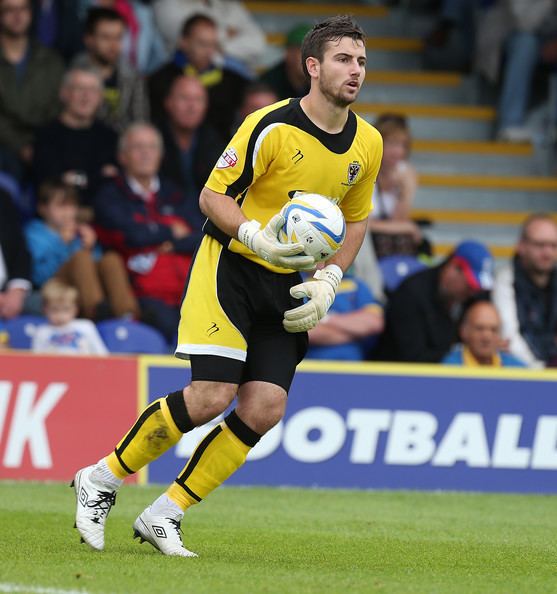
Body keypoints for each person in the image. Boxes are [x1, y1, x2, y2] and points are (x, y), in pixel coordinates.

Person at [72, 15, 382, 557]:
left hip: (287, 282)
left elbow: (355, 220)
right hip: (231, 267)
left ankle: (165, 513)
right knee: (211, 396)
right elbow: (213, 197)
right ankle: (100, 478)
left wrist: (331, 277)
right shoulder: (270, 126)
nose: (355, 70)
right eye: (342, 59)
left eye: (359, 60)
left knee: (264, 407)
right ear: (312, 67)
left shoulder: (369, 143)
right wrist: (257, 237)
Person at [94, 122, 201, 342]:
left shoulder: (177, 194)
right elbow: (132, 236)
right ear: (122, 156)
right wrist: (170, 230)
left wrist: (171, 244)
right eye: (137, 147)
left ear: (160, 155)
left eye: (151, 147)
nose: (145, 153)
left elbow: (203, 235)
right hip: (141, 296)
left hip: (188, 292)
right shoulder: (109, 195)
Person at [24, 178, 140, 320]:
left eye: (71, 206)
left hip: (84, 287)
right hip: (53, 289)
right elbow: (39, 276)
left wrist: (90, 247)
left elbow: (96, 268)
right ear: (42, 208)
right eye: (61, 206)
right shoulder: (34, 234)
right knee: (81, 258)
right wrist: (62, 244)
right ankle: (96, 312)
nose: (67, 212)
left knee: (111, 259)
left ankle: (127, 314)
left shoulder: (78, 230)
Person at [376, 240, 494, 363]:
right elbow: (413, 357)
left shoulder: (477, 295)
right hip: (396, 375)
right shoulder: (410, 295)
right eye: (470, 285)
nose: (474, 292)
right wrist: (463, 358)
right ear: (453, 267)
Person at [148, 13, 249, 139]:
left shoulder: (232, 81)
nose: (209, 51)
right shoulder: (161, 79)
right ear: (183, 42)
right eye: (202, 43)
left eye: (213, 44)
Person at [33, 66, 118, 212]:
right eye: (79, 89)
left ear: (100, 97)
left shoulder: (110, 137)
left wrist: (75, 178)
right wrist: (97, 177)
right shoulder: (46, 135)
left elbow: (114, 184)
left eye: (93, 90)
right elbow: (49, 185)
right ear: (64, 93)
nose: (86, 96)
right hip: (60, 219)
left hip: (103, 216)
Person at [0, 0, 64, 179]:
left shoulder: (51, 60)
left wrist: (40, 146)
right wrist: (21, 146)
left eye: (23, 9)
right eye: (9, 10)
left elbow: (57, 107)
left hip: (44, 144)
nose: (17, 15)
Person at [158, 75, 224, 230]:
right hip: (165, 221)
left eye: (198, 100)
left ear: (206, 107)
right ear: (168, 103)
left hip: (206, 221)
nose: (191, 106)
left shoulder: (215, 141)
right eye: (184, 98)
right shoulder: (152, 140)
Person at [493, 213, 557, 367]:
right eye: (540, 245)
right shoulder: (504, 280)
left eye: (554, 246)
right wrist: (541, 369)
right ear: (521, 246)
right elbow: (509, 338)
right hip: (520, 374)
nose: (547, 253)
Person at [72, 6, 148, 132]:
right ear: (89, 39)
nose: (113, 45)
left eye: (118, 37)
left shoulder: (133, 75)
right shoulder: (75, 74)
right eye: (106, 37)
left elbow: (140, 121)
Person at [367, 113, 425, 260]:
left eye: (403, 145)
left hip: (386, 241)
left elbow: (398, 220)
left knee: (402, 240)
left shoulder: (404, 172)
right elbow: (362, 224)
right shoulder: (365, 170)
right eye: (392, 144)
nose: (398, 152)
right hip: (364, 238)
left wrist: (407, 191)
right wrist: (408, 227)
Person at [152, 0, 266, 74]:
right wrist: (228, 34)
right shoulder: (167, 4)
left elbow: (257, 43)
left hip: (225, 76)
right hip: (181, 72)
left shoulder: (229, 5)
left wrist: (219, 46)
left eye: (212, 43)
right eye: (205, 44)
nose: (209, 49)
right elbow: (188, 37)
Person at [306, 271, 384, 361]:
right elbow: (305, 332)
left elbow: (374, 323)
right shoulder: (298, 285)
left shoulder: (356, 284)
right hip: (311, 368)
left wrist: (325, 319)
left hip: (354, 368)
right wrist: (355, 333)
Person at [32, 278, 108, 355]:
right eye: (54, 310)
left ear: (75, 309)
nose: (60, 316)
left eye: (66, 309)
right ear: (44, 310)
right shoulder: (41, 332)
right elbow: (37, 360)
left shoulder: (86, 326)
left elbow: (101, 354)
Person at [442, 300, 526, 367]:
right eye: (479, 329)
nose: (487, 337)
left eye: (494, 330)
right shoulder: (449, 369)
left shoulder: (517, 369)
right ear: (463, 332)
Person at [0, 188, 31, 320]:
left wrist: (17, 290)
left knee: (57, 304)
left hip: (9, 290)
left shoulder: (2, 197)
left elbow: (20, 249)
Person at [259, 23, 311, 100]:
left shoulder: (323, 81)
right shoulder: (268, 83)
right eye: (304, 52)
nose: (311, 59)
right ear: (288, 53)